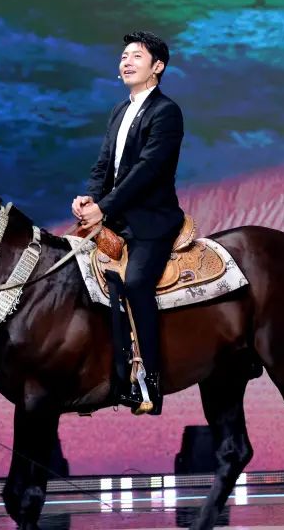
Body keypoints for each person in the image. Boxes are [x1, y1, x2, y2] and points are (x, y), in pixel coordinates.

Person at [72, 30, 185, 416]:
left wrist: (104, 208)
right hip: (115, 218)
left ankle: (150, 380)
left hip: (151, 221)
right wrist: (90, 198)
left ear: (157, 67)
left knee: (136, 284)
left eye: (136, 55)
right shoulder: (119, 110)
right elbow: (104, 164)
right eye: (123, 56)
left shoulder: (166, 112)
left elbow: (147, 171)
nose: (126, 61)